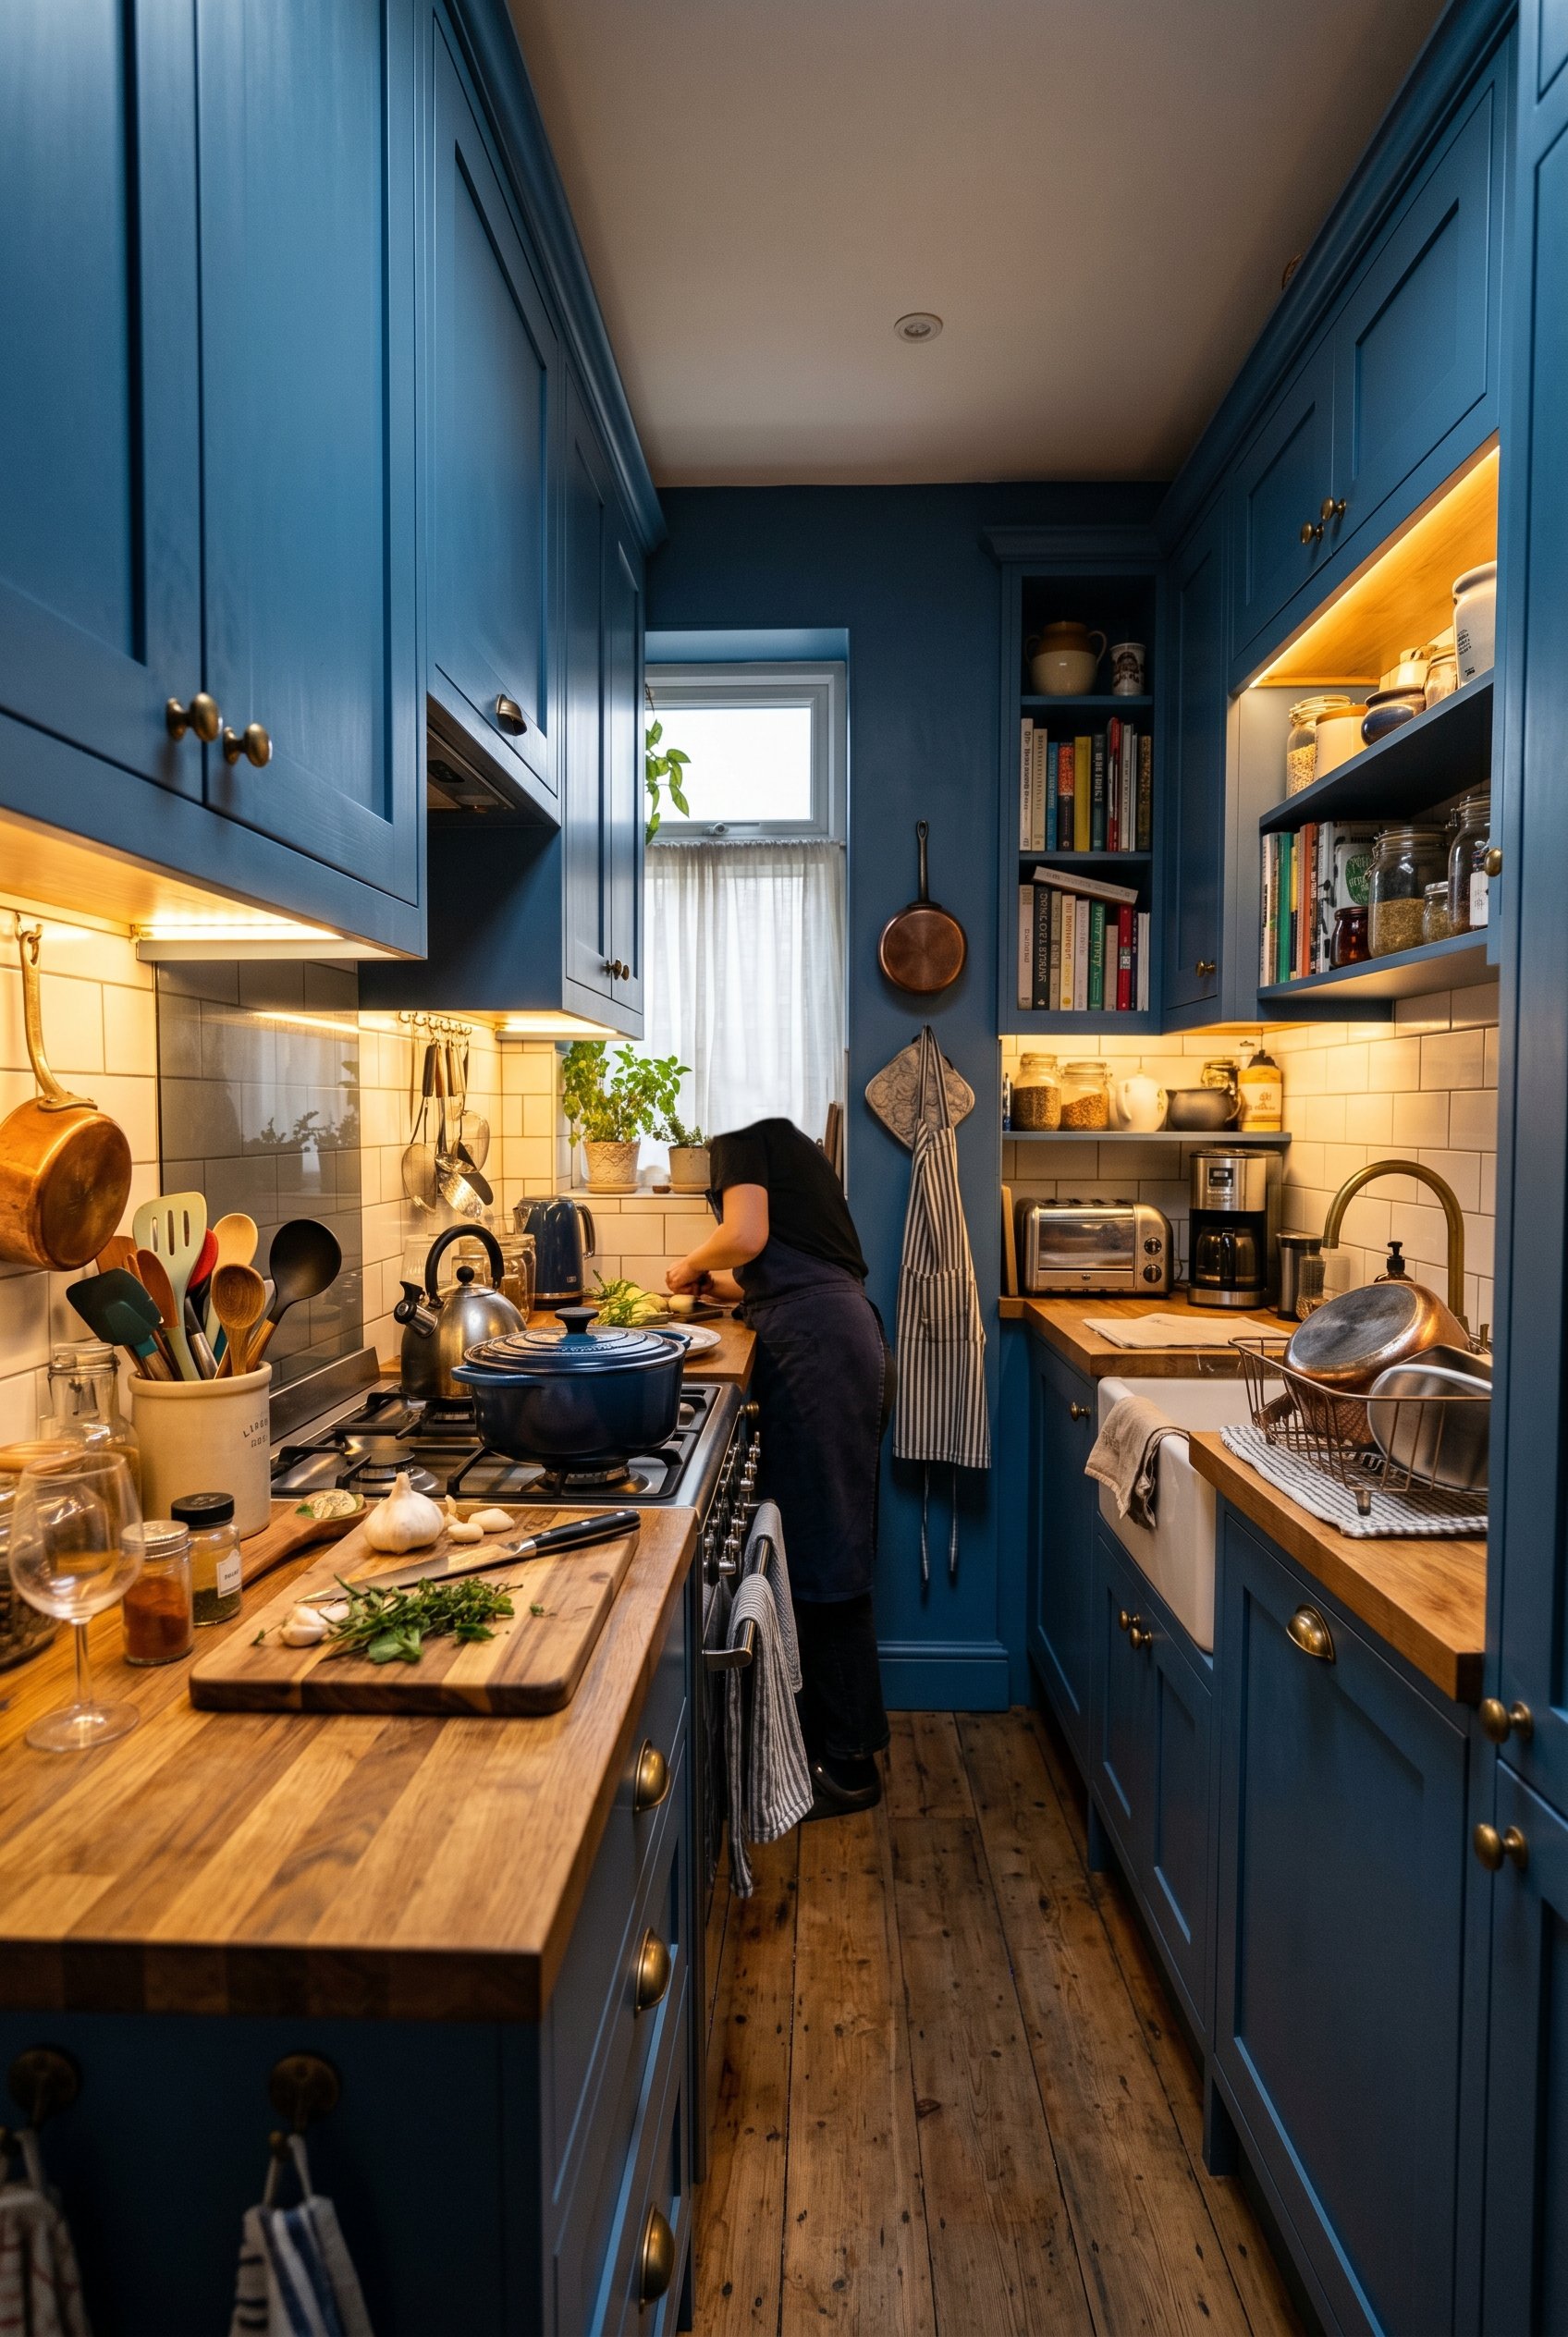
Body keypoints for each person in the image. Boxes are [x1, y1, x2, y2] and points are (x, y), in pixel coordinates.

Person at [667, 1116, 892, 1817]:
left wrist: (689, 1267)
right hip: (837, 1330)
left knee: (826, 1545)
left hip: (819, 1347)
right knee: (826, 1536)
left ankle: (850, 1767)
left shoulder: (738, 1142)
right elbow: (796, 1266)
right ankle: (835, 1744)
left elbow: (746, 1238)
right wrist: (729, 1292)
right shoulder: (794, 1148)